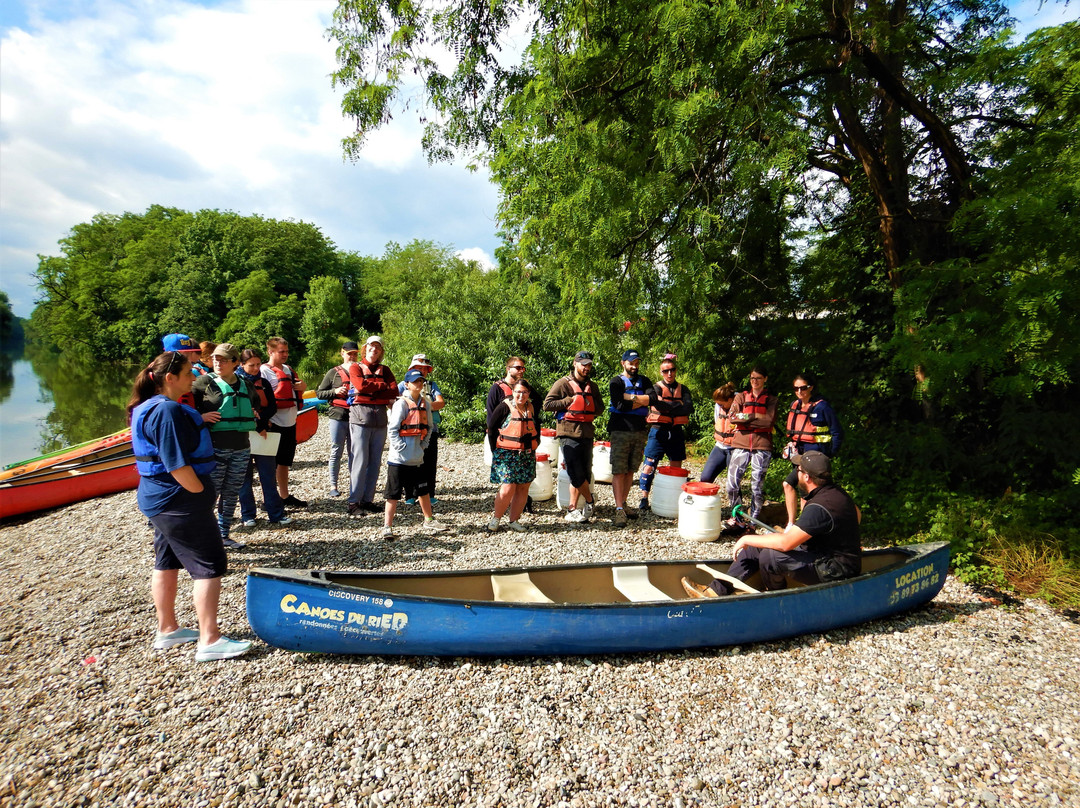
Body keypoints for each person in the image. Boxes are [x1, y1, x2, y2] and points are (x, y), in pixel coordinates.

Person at [128, 350, 252, 661]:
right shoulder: (167, 411)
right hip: (177, 501)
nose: (193, 378)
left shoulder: (148, 407)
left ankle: (167, 630)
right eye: (187, 374)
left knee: (166, 562)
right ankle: (209, 640)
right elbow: (176, 464)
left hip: (158, 499)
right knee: (209, 566)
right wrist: (200, 494)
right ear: (169, 379)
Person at [682, 451, 861, 597]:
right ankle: (715, 591)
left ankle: (777, 597)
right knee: (756, 547)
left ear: (806, 477)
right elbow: (856, 513)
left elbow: (786, 543)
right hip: (821, 554)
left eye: (798, 469)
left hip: (836, 569)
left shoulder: (820, 506)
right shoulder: (835, 493)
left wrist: (745, 539)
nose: (795, 473)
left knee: (772, 556)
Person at [192, 343, 256, 550]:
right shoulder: (202, 383)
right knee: (211, 493)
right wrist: (200, 417)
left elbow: (256, 405)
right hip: (215, 448)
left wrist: (254, 414)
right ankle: (202, 537)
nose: (218, 362)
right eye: (215, 358)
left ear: (235, 363)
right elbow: (182, 411)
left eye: (224, 359)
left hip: (241, 446)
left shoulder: (246, 384)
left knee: (232, 493)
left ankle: (223, 535)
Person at [380, 369, 449, 539]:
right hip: (398, 459)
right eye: (415, 381)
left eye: (421, 381)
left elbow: (430, 427)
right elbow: (393, 429)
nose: (418, 384)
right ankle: (387, 526)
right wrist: (400, 447)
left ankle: (429, 520)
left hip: (417, 457)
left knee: (423, 491)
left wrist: (423, 446)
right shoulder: (401, 404)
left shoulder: (426, 403)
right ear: (407, 384)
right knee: (393, 494)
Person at [544, 351, 603, 523]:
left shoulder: (593, 386)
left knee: (584, 473)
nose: (586, 368)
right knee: (574, 472)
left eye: (589, 365)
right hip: (568, 432)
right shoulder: (563, 384)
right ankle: (591, 500)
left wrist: (587, 409)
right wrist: (569, 402)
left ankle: (572, 509)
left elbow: (600, 408)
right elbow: (547, 404)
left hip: (586, 432)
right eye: (583, 364)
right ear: (575, 364)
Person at [781, 372, 844, 528]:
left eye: (803, 388)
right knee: (789, 485)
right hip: (799, 456)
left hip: (816, 456)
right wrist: (791, 446)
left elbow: (837, 432)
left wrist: (830, 455)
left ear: (811, 387)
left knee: (807, 491)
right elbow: (796, 433)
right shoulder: (795, 405)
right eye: (796, 389)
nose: (800, 392)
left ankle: (806, 526)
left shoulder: (822, 407)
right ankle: (792, 524)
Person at [236, 348, 290, 528]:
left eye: (258, 364)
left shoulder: (264, 383)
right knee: (245, 478)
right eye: (251, 365)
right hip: (243, 435)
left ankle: (275, 513)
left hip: (263, 434)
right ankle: (247, 515)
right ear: (242, 365)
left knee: (268, 475)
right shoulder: (235, 383)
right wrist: (257, 424)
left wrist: (261, 420)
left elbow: (272, 407)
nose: (256, 368)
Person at [347, 335, 398, 517]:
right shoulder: (355, 367)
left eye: (377, 347)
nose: (374, 350)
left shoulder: (385, 369)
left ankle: (367, 500)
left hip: (380, 419)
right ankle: (354, 502)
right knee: (360, 461)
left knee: (375, 462)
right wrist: (382, 387)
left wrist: (374, 387)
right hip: (361, 417)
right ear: (365, 348)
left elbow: (394, 390)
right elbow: (360, 386)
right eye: (371, 346)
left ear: (381, 351)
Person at [724, 364, 777, 533]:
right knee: (731, 484)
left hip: (762, 445)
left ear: (765, 379)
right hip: (741, 444)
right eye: (752, 378)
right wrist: (755, 416)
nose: (754, 381)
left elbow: (768, 421)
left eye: (758, 378)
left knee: (756, 487)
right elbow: (732, 417)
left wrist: (744, 419)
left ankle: (752, 523)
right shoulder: (741, 397)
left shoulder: (771, 399)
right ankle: (738, 518)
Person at [637, 353, 694, 513]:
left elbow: (689, 408)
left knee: (676, 467)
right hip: (658, 430)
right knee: (649, 465)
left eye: (672, 370)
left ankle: (674, 499)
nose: (669, 373)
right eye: (666, 371)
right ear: (661, 372)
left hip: (676, 431)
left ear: (676, 371)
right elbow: (656, 406)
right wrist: (677, 405)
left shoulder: (684, 389)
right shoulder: (655, 388)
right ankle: (644, 498)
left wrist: (669, 406)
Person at [486, 380, 541, 532]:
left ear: (528, 394)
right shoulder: (504, 407)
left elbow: (537, 427)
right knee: (508, 487)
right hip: (506, 454)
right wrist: (494, 450)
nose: (520, 395)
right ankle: (496, 519)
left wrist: (537, 442)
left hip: (527, 453)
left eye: (524, 392)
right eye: (517, 391)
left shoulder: (532, 408)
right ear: (513, 392)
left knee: (523, 487)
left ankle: (514, 520)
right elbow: (491, 428)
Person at [261, 336, 308, 509]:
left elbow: (297, 391)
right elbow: (261, 399)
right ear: (270, 351)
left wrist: (303, 386)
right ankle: (269, 498)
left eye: (287, 351)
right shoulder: (264, 371)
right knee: (269, 464)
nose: (285, 354)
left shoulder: (288, 370)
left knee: (285, 461)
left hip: (290, 421)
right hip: (274, 423)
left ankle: (284, 495)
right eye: (282, 351)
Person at [607, 350, 653, 527]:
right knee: (619, 470)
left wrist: (630, 398)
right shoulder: (616, 381)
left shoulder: (645, 380)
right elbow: (618, 404)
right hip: (620, 430)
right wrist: (641, 401)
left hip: (639, 431)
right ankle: (619, 509)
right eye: (631, 363)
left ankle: (624, 503)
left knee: (630, 469)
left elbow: (653, 399)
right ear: (623, 363)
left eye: (636, 363)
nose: (634, 366)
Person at [398, 354, 445, 505]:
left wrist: (423, 406)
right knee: (409, 462)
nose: (423, 371)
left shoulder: (432, 385)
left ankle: (429, 494)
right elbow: (394, 403)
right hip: (408, 431)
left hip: (430, 429)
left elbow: (441, 402)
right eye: (419, 368)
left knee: (430, 462)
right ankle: (410, 495)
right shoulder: (402, 384)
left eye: (425, 369)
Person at [316, 341, 359, 498]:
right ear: (342, 353)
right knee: (337, 450)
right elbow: (320, 393)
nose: (352, 356)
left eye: (355, 353)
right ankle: (333, 485)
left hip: (356, 416)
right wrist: (335, 391)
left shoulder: (360, 371)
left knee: (354, 452)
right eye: (349, 354)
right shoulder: (333, 372)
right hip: (337, 415)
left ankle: (354, 485)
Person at [701, 382, 736, 484]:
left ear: (730, 400)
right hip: (720, 446)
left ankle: (737, 500)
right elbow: (717, 420)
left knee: (733, 483)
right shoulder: (718, 406)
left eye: (721, 404)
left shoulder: (740, 403)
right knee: (705, 478)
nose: (719, 406)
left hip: (735, 448)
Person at [162, 333, 206, 408]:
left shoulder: (188, 370)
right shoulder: (160, 374)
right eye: (184, 354)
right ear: (170, 354)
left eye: (190, 352)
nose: (189, 358)